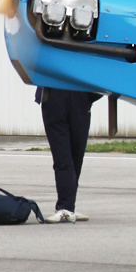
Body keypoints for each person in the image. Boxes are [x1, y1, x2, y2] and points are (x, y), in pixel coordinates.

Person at [37, 87, 102, 223]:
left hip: (80, 95)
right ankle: (65, 206)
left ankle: (68, 204)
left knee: (77, 155)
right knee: (62, 157)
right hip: (54, 94)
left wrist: (92, 95)